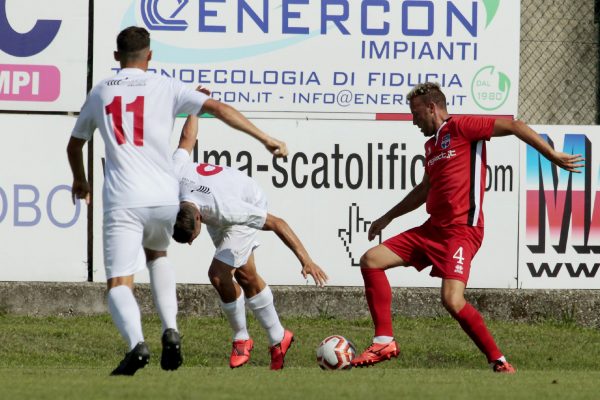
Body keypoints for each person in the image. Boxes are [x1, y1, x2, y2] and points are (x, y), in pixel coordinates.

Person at [67, 26, 287, 376]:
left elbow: (75, 144)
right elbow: (218, 107)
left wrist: (80, 180)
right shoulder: (166, 86)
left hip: (123, 197)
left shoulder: (101, 92)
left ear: (115, 58)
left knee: (119, 283)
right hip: (165, 197)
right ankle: (172, 328)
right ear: (149, 55)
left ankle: (137, 343)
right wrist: (264, 137)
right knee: (158, 256)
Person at [351, 82, 583, 373]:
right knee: (371, 260)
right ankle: (384, 340)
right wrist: (388, 217)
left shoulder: (461, 127)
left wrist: (551, 154)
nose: (413, 120)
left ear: (432, 108)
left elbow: (514, 125)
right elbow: (425, 189)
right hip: (432, 229)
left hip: (462, 230)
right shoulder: (432, 145)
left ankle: (498, 361)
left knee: (451, 299)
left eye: (416, 113)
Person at [172, 115, 328, 370]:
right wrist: (194, 109)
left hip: (247, 201)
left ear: (199, 217)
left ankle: (241, 338)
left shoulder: (228, 209)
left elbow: (278, 223)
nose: (191, 244)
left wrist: (306, 260)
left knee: (218, 275)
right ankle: (279, 337)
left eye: (192, 237)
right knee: (246, 276)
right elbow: (187, 140)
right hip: (220, 206)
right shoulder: (173, 179)